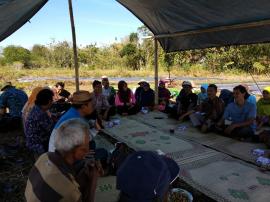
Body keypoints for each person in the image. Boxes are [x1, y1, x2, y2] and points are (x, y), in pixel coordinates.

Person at [25, 118, 99, 202]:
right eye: (86, 146)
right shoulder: (70, 191)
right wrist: (93, 182)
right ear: (75, 150)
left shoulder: (44, 156)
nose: (88, 149)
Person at [25, 89, 55, 156]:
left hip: (33, 141)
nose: (53, 102)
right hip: (37, 145)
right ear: (49, 101)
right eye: (52, 100)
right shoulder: (40, 114)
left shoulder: (37, 108)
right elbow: (52, 130)